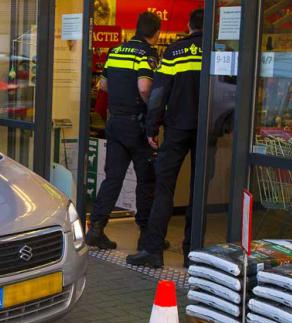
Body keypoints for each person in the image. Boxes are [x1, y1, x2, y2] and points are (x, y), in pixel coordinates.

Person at [127, 8, 204, 268]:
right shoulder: (219, 51)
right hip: (206, 131)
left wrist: (152, 128)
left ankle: (153, 250)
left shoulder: (174, 51)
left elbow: (158, 94)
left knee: (164, 187)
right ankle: (192, 254)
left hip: (177, 128)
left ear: (188, 24)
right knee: (199, 189)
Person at [85, 12, 161, 250]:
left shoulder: (116, 51)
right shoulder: (147, 53)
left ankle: (96, 228)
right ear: (156, 33)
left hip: (115, 123)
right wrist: (153, 111)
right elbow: (144, 87)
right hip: (136, 124)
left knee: (113, 178)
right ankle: (146, 235)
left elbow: (104, 85)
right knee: (145, 180)